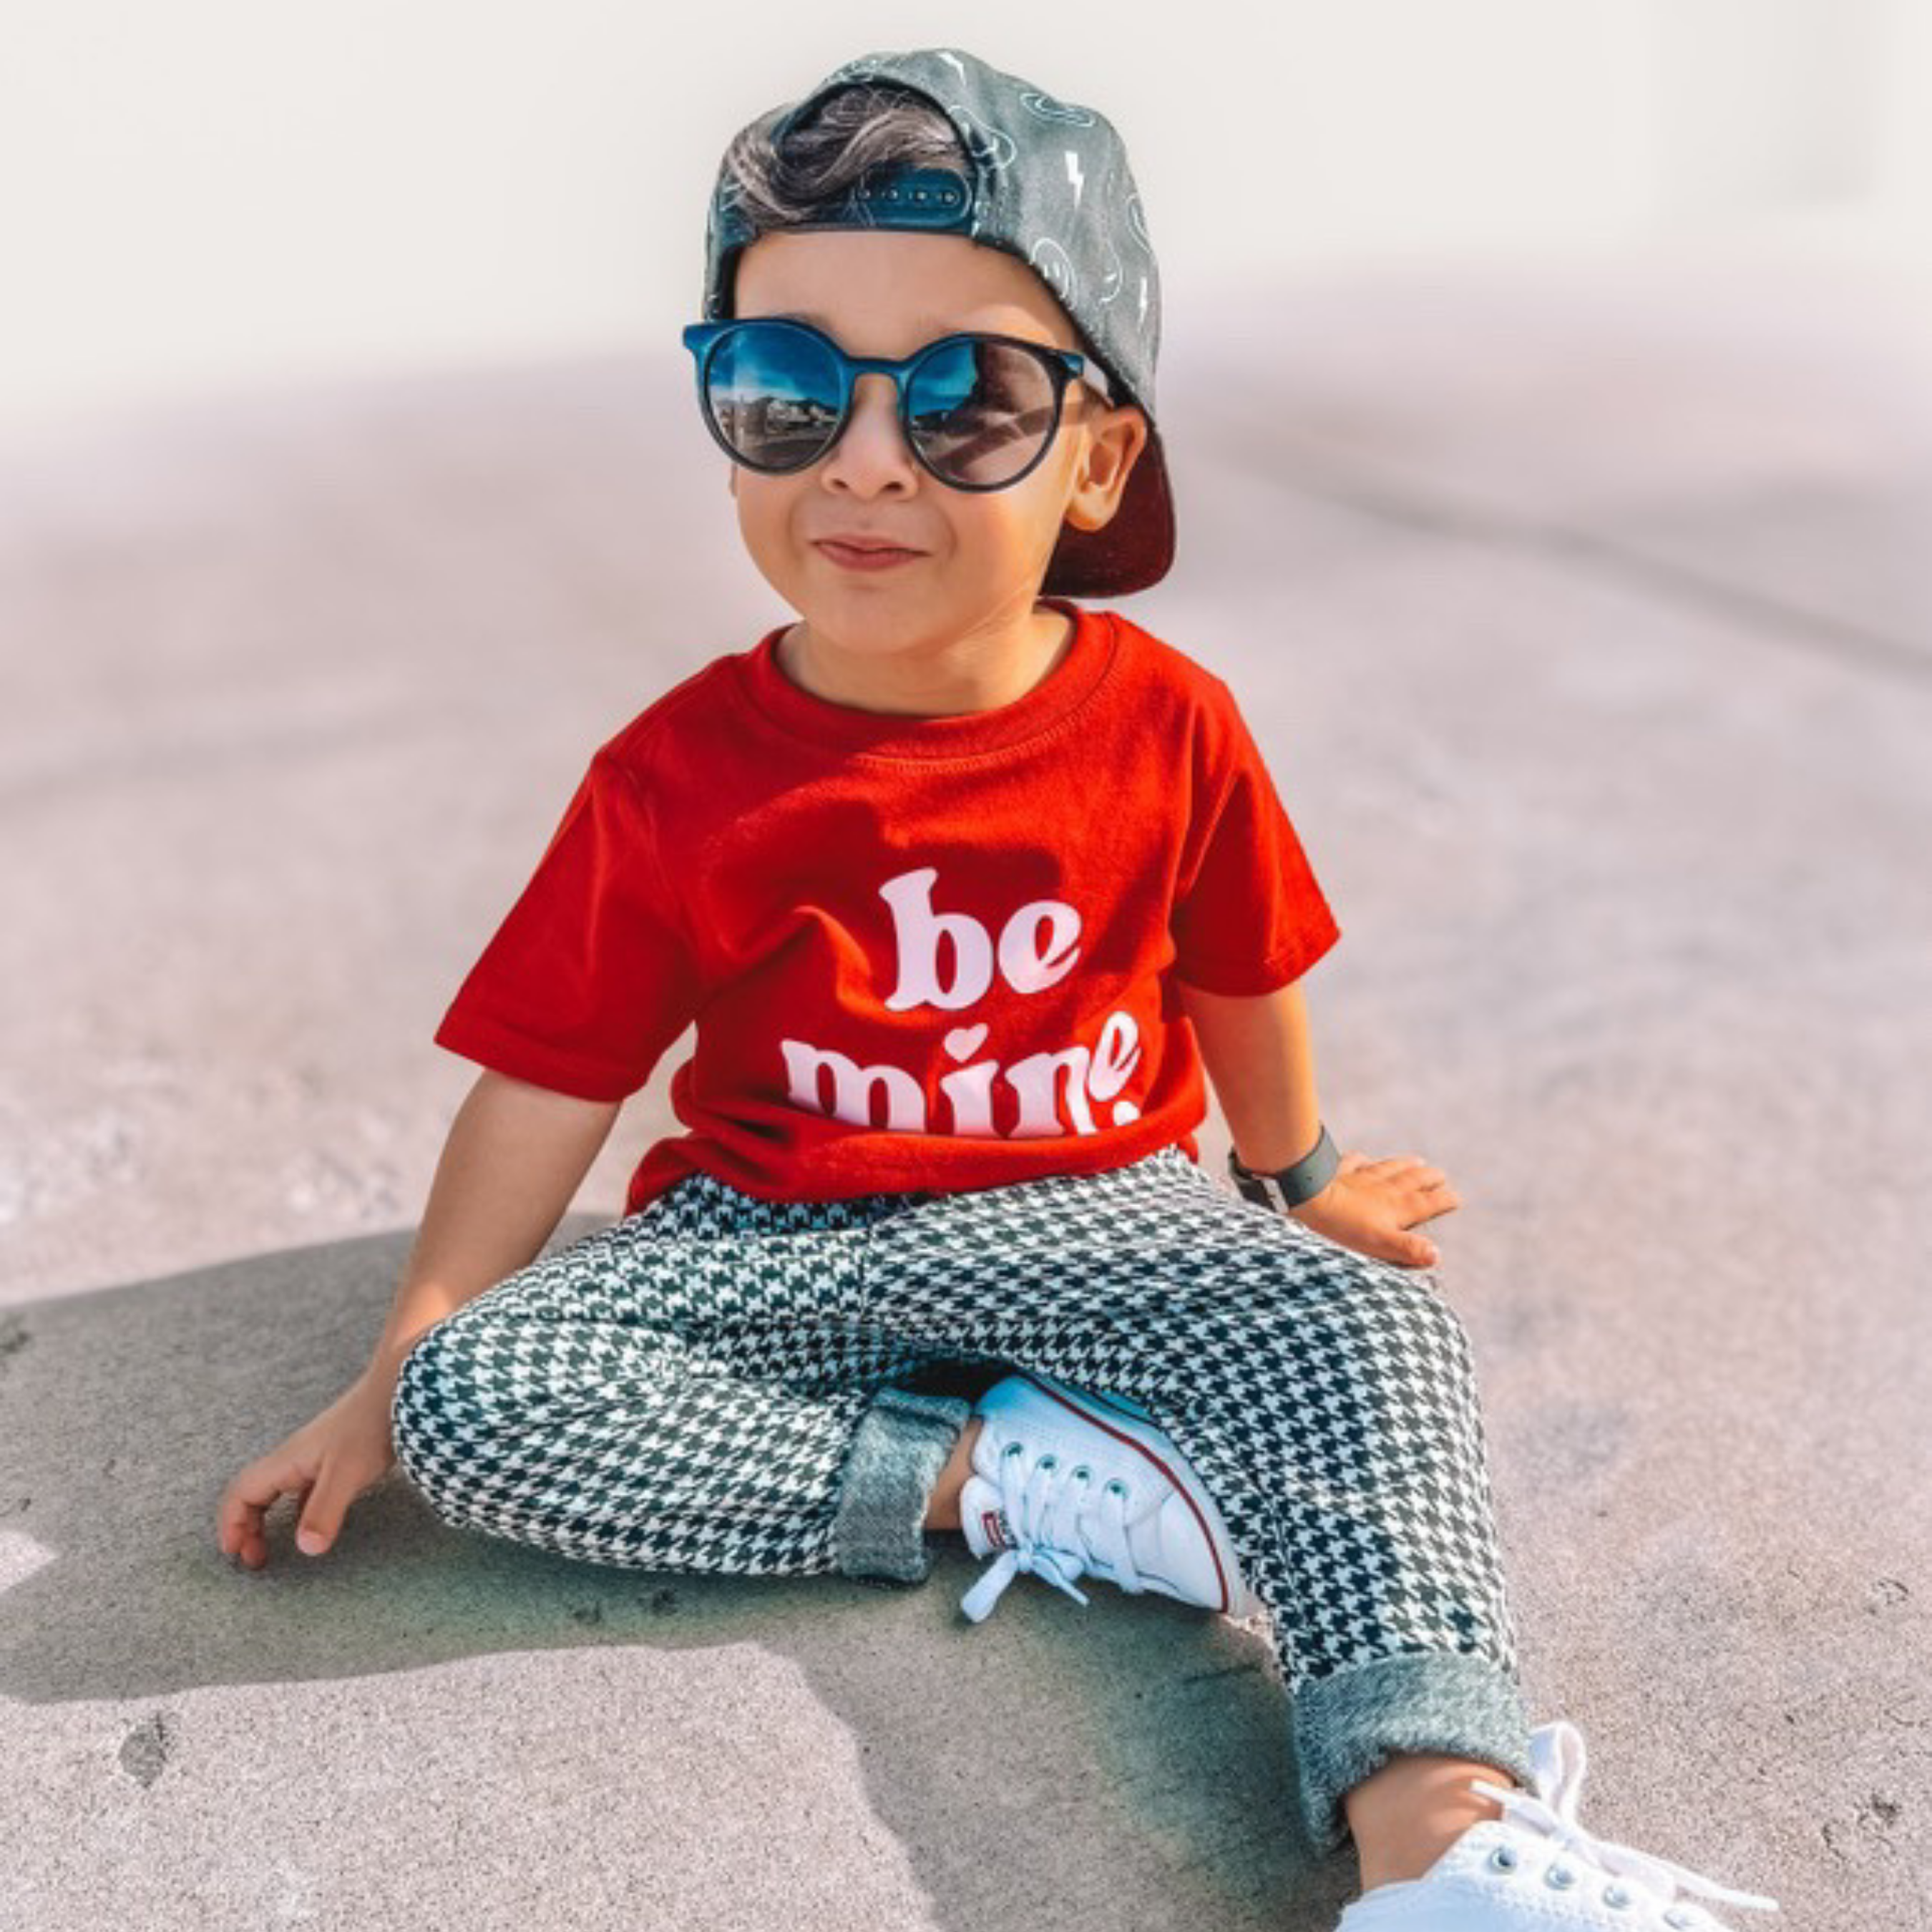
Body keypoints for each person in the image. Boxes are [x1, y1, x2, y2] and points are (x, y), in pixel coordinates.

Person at [215, 47, 1780, 1930]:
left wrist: (1300, 1177)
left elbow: (1238, 976)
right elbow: (545, 1087)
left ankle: (1437, 1831)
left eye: (966, 397)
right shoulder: (672, 775)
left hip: (1102, 1214)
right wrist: (397, 1359)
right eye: (789, 390)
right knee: (479, 1396)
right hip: (774, 1241)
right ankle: (1012, 1483)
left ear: (1098, 453)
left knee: (1371, 1338)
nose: (867, 458)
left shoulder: (1167, 723)